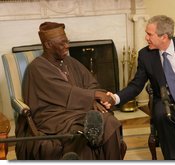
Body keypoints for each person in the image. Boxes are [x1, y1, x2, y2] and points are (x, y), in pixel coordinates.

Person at [103, 15, 175, 160]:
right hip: (165, 99)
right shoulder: (145, 55)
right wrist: (115, 98)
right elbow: (136, 85)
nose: (146, 38)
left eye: (149, 34)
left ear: (164, 37)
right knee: (161, 116)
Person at [15, 22, 126, 160]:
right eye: (62, 43)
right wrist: (94, 96)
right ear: (48, 45)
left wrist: (95, 99)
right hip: (53, 117)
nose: (67, 46)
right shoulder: (36, 67)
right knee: (105, 123)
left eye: (67, 42)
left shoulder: (70, 61)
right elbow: (62, 91)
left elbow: (91, 83)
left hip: (77, 111)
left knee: (109, 122)